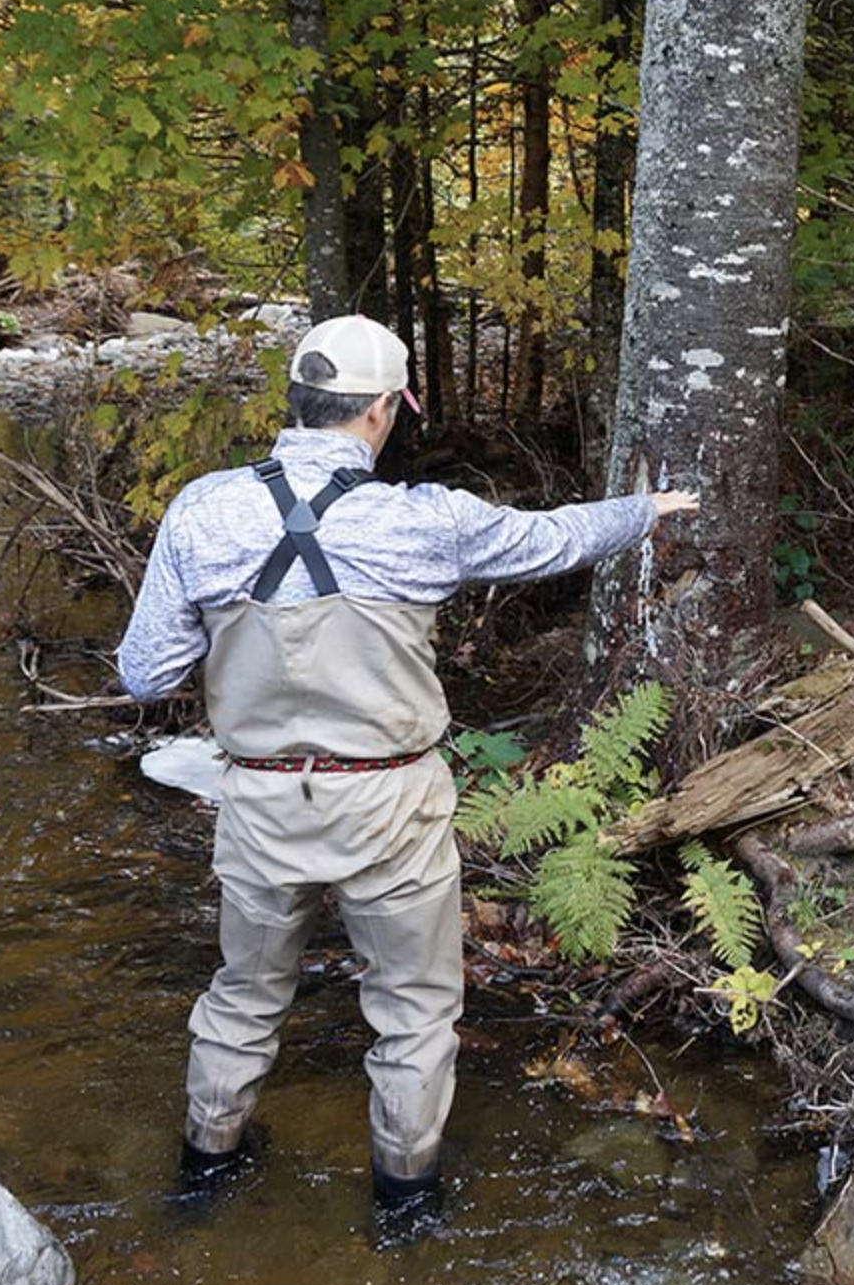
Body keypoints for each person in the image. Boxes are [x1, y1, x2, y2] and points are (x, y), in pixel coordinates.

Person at [115, 314, 695, 1224]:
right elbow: (552, 540)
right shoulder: (426, 520)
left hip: (260, 802)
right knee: (416, 1011)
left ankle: (205, 1173)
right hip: (392, 807)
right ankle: (406, 1202)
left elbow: (143, 672)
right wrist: (644, 513)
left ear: (298, 403)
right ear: (385, 409)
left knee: (243, 996)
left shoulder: (200, 508)